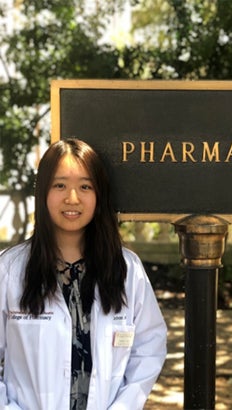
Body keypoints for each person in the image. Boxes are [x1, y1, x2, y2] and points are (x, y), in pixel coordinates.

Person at [0, 138, 167, 410]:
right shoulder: (9, 269)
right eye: (60, 185)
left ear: (99, 195)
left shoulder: (126, 270)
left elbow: (149, 348)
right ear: (43, 192)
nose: (72, 198)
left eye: (85, 186)